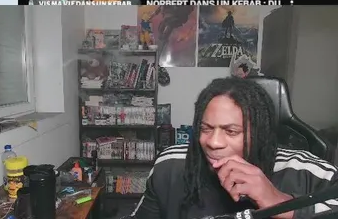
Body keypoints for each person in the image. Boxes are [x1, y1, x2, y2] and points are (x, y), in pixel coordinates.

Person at [128, 77, 338, 219]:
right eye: (206, 128)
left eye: (231, 131)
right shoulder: (171, 165)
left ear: (259, 135)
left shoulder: (305, 172)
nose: (213, 142)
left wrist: (280, 202)